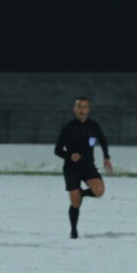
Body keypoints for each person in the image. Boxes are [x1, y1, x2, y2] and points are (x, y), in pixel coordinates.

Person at [54, 97, 113, 239]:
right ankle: (73, 231)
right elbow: (57, 150)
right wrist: (69, 155)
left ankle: (82, 193)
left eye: (85, 106)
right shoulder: (68, 127)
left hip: (88, 166)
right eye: (79, 106)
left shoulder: (94, 126)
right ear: (74, 109)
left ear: (89, 110)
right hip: (71, 167)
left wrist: (106, 157)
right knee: (75, 202)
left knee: (99, 192)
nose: (82, 109)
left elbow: (103, 140)